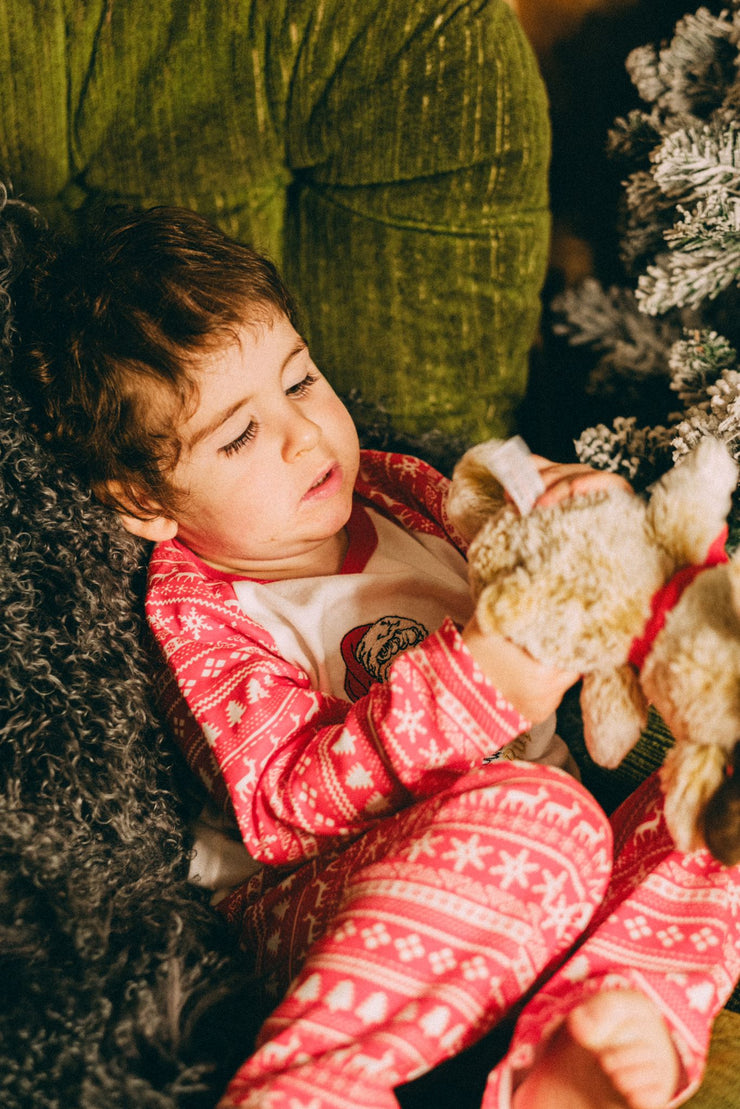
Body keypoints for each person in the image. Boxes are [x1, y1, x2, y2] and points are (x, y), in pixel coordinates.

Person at [12, 204, 740, 1109]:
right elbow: (284, 806)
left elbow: (555, 569)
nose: (305, 435)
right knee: (550, 816)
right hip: (334, 901)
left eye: (302, 380)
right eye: (238, 435)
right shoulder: (205, 611)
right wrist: (483, 682)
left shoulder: (404, 494)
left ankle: (602, 1030)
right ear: (146, 500)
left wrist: (587, 525)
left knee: (717, 809)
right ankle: (311, 1083)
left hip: (558, 873)